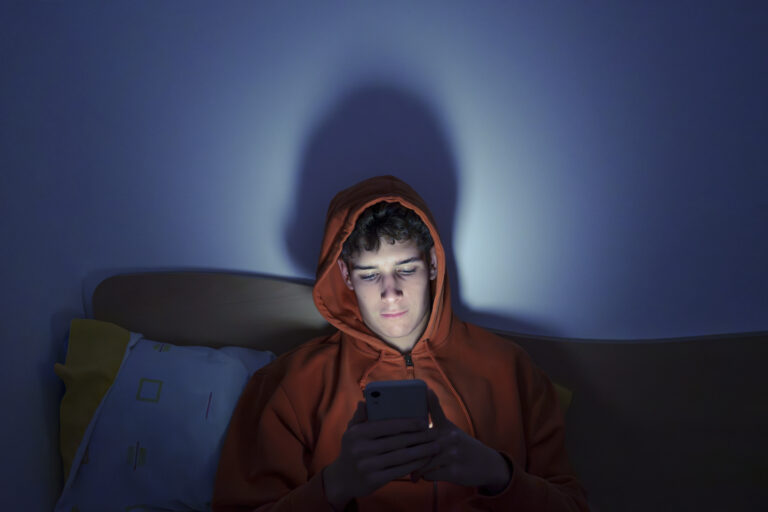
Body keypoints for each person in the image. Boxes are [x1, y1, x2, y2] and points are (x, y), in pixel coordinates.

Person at [212, 175, 588, 511]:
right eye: (370, 273)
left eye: (406, 269)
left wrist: (498, 474)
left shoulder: (512, 370)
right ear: (345, 274)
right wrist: (334, 486)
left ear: (434, 265)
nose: (390, 294)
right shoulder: (289, 385)